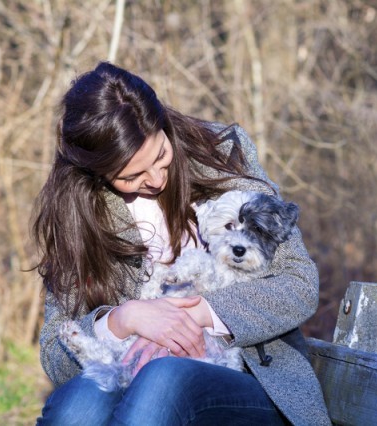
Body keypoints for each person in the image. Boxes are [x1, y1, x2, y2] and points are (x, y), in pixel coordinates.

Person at [32, 61, 331, 425]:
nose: (156, 179)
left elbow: (298, 285)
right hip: (130, 368)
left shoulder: (223, 153)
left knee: (163, 381)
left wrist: (200, 312)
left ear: (163, 125)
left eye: (160, 155)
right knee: (76, 406)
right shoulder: (76, 214)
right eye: (131, 176)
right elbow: (54, 354)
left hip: (247, 384)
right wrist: (122, 320)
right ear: (96, 173)